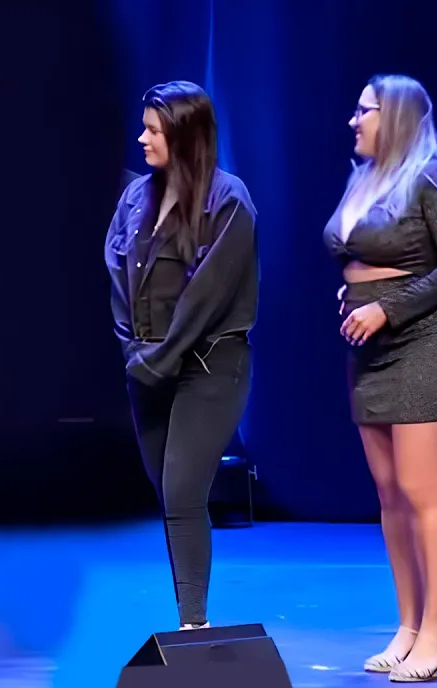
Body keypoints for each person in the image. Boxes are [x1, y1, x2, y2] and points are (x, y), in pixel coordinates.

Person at [322, 74, 437, 682]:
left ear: (397, 118)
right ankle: (409, 627)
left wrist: (388, 306)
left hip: (428, 343)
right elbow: (360, 257)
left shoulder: (433, 177)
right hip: (369, 350)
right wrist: (357, 293)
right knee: (390, 494)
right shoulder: (365, 179)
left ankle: (436, 635)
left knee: (420, 487)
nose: (354, 120)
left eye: (365, 110)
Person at [104, 81, 259, 631]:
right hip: (145, 366)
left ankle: (194, 624)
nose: (142, 139)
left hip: (210, 366)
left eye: (153, 130)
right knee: (170, 496)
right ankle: (187, 619)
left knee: (183, 491)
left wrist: (162, 356)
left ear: (186, 136)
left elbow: (206, 295)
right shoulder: (134, 198)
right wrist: (134, 350)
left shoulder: (229, 201)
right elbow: (117, 275)